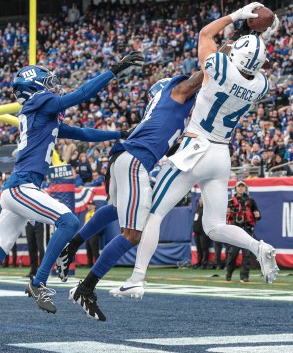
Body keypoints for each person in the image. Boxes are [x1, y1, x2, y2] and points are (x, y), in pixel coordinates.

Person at [0, 52, 144, 345]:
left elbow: (82, 132)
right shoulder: (39, 103)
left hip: (19, 189)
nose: (52, 87)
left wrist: (120, 133)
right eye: (47, 82)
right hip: (22, 187)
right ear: (33, 87)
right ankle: (38, 281)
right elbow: (80, 95)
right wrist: (114, 70)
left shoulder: (41, 112)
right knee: (69, 222)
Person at [111, 2, 279, 301]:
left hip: (195, 147)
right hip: (221, 154)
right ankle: (258, 247)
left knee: (153, 214)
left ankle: (137, 278)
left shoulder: (219, 66)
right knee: (215, 226)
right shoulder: (261, 85)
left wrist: (236, 16)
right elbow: (253, 60)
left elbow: (205, 35)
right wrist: (262, 34)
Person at [62, 69, 205, 321]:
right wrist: (228, 52)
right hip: (135, 161)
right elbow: (202, 75)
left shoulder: (160, 110)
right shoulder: (175, 96)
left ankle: (72, 245)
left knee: (117, 209)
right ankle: (86, 288)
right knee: (133, 234)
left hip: (122, 158)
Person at [225, 181, 260, 282]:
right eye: (239, 187)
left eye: (242, 187)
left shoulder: (251, 201)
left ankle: (244, 276)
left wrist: (258, 215)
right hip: (235, 230)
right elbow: (225, 217)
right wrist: (226, 212)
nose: (241, 188)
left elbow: (256, 214)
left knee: (247, 254)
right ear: (235, 188)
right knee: (233, 254)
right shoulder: (230, 201)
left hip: (247, 229)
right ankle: (229, 272)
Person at [193, 197, 210, 269]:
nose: (201, 201)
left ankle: (204, 263)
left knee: (204, 248)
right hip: (197, 232)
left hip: (204, 232)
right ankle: (199, 262)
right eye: (200, 199)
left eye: (202, 199)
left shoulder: (207, 209)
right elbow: (195, 219)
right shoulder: (197, 208)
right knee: (199, 248)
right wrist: (194, 230)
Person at [83, 202, 101, 267]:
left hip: (94, 233)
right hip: (87, 233)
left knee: (94, 249)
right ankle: (90, 263)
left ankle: (98, 264)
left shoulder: (96, 213)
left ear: (94, 206)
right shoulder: (87, 214)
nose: (90, 206)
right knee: (88, 248)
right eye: (89, 205)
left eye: (91, 205)